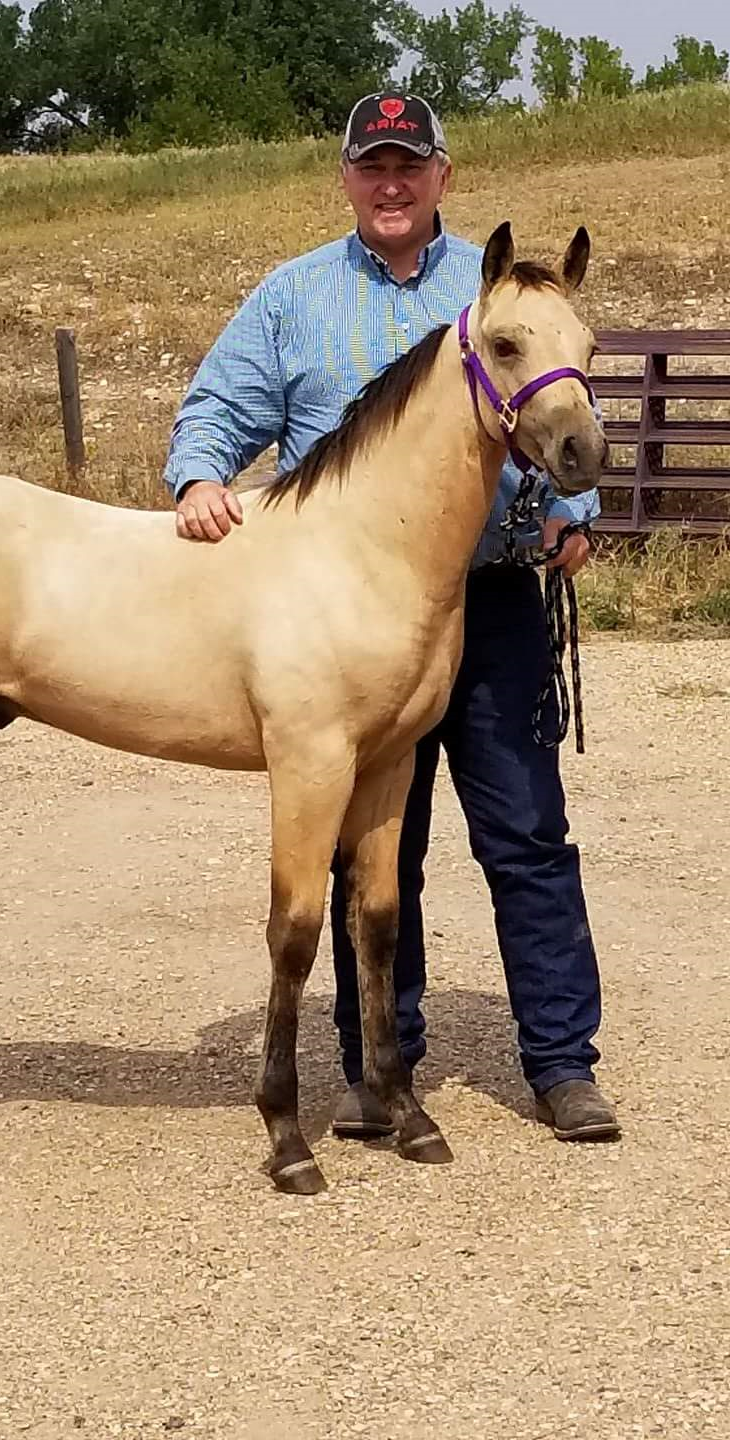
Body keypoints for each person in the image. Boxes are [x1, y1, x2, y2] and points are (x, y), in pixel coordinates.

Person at [162, 92, 619, 1143]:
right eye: (373, 165)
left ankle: (560, 1064)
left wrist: (574, 505)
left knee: (525, 836)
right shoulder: (293, 297)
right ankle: (383, 1062)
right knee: (375, 844)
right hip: (343, 619)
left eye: (409, 164)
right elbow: (222, 404)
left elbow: (553, 402)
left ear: (442, 178)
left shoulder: (492, 287)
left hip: (489, 596)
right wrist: (197, 477)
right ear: (347, 179)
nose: (391, 183)